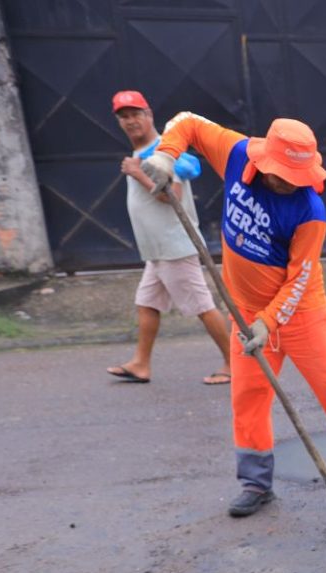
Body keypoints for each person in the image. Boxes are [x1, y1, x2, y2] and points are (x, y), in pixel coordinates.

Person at [143, 114, 326, 517]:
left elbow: (300, 279)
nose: (288, 182)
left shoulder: (309, 210)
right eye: (283, 174)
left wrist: (270, 322)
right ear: (264, 161)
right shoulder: (237, 152)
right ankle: (256, 483)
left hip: (301, 313)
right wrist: (165, 156)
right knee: (248, 396)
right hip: (245, 310)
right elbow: (189, 123)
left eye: (297, 175)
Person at [106, 90, 232, 386]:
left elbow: (171, 197)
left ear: (149, 115)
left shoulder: (165, 150)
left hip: (175, 246)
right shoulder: (141, 153)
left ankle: (234, 363)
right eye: (124, 117)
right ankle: (140, 364)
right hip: (157, 250)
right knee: (147, 303)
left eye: (136, 114)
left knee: (202, 306)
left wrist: (138, 174)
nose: (131, 121)